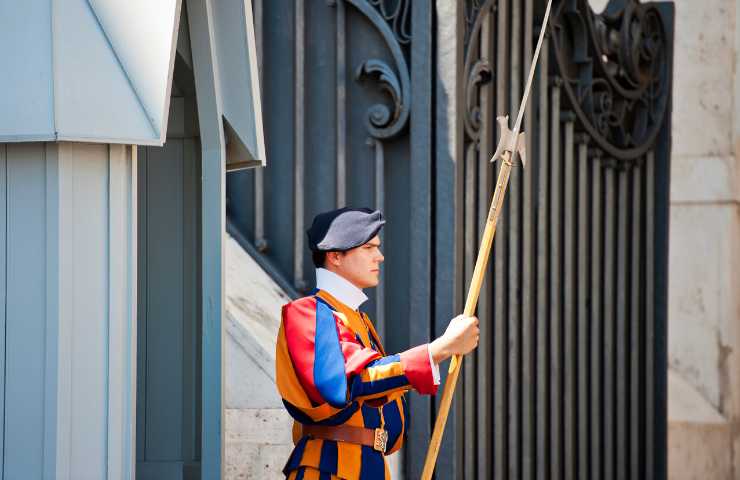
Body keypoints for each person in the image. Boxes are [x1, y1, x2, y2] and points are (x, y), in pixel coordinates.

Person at [275, 207, 479, 479]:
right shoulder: (308, 312)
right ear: (335, 256)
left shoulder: (356, 318)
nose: (379, 257)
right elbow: (348, 382)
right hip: (328, 469)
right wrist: (439, 349)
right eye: (369, 247)